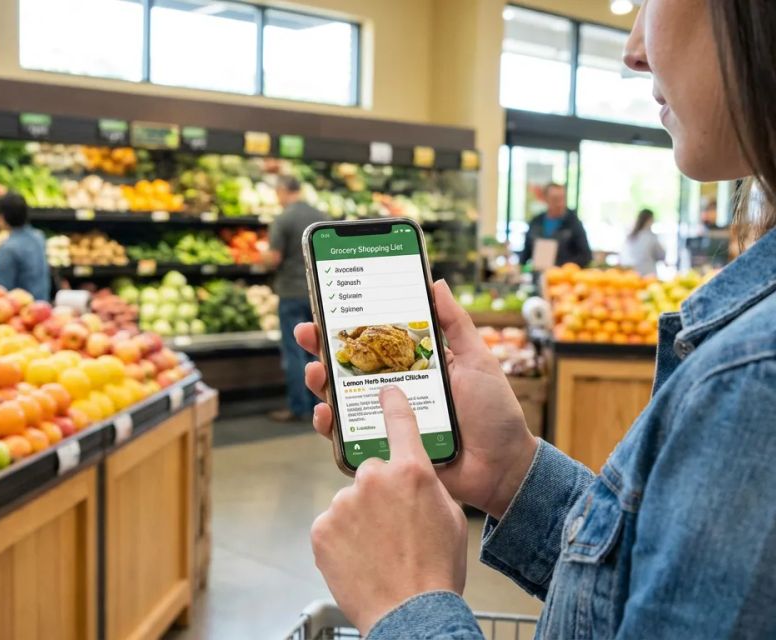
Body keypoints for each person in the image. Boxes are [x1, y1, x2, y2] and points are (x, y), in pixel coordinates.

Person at [295, 1, 776, 637]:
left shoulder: (755, 379)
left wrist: (408, 604)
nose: (633, 49)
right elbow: (654, 588)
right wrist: (513, 472)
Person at [264, 176, 326, 422]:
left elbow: (274, 258)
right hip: (318, 293)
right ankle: (321, 404)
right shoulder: (322, 216)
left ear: (282, 191)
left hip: (291, 292)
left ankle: (298, 407)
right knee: (318, 349)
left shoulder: (283, 219)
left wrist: (261, 260)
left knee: (294, 351)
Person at [0, 193, 51, 301]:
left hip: (21, 307)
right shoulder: (39, 237)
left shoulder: (8, 249)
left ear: (2, 217)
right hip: (41, 303)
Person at [519, 183, 593, 268]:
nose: (560, 203)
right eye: (555, 199)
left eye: (562, 198)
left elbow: (586, 256)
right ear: (545, 199)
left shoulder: (573, 223)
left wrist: (562, 267)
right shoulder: (535, 222)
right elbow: (525, 253)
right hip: (538, 272)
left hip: (563, 274)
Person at [620, 208, 666, 275]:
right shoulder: (651, 237)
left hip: (629, 274)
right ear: (649, 220)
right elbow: (661, 255)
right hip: (647, 275)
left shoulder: (630, 236)